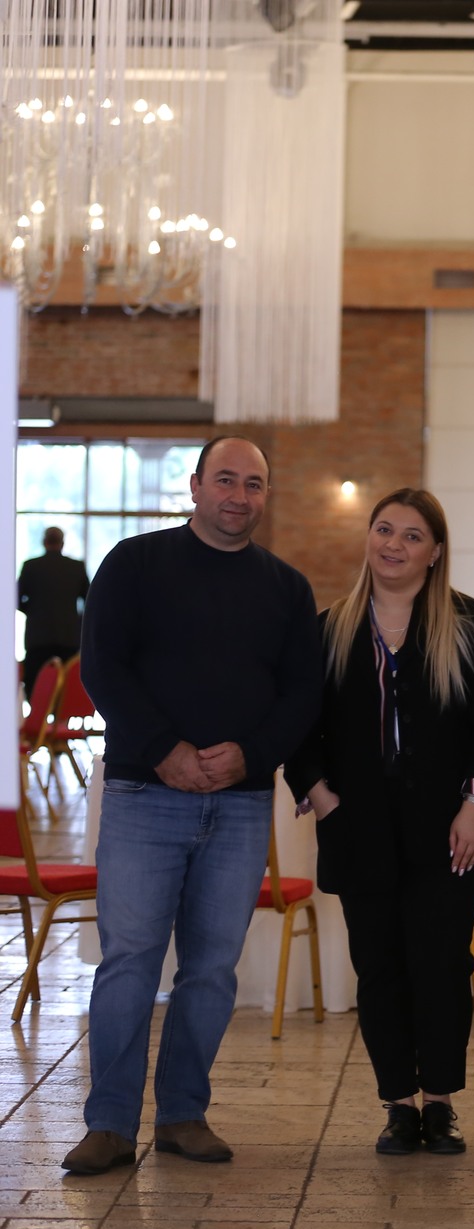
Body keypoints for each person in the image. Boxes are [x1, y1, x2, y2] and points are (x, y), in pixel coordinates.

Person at [60, 436, 321, 1176]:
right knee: (130, 962)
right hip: (145, 793)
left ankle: (181, 1114)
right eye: (226, 480)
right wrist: (163, 748)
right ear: (196, 486)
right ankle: (109, 1124)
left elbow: (301, 693)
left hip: (239, 804)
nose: (239, 496)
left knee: (210, 968)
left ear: (265, 496)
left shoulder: (286, 587)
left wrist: (251, 754)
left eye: (254, 484)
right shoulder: (135, 564)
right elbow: (102, 665)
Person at [286, 490, 474, 1157]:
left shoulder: (468, 623)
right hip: (357, 827)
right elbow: (299, 727)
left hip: (451, 828)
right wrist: (320, 797)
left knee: (442, 964)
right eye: (385, 529)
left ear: (435, 551)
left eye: (412, 535)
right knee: (379, 966)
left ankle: (440, 1103)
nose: (394, 544)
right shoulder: (329, 628)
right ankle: (398, 1103)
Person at [18, 526, 90, 685]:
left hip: (38, 637)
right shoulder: (76, 567)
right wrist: (76, 619)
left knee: (36, 686)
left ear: (44, 542)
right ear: (62, 543)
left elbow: (15, 598)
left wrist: (32, 611)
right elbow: (89, 601)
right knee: (67, 688)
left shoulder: (30, 566)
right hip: (68, 636)